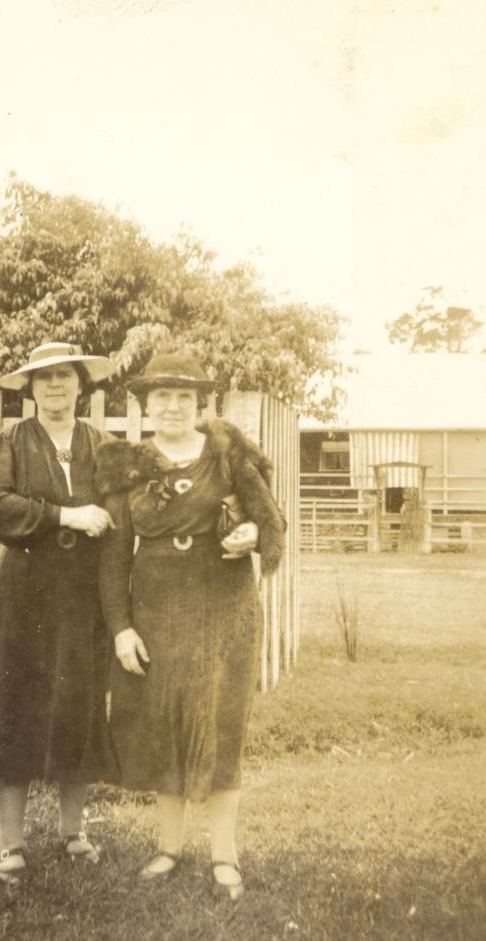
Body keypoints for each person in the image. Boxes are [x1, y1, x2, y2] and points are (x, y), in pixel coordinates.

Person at [95, 353, 285, 901]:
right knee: (161, 725)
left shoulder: (228, 457)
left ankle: (225, 855)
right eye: (161, 396)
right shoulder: (126, 466)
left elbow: (272, 521)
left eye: (184, 396)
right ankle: (167, 848)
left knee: (221, 725)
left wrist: (250, 532)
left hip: (224, 611)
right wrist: (121, 629)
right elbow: (112, 559)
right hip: (154, 614)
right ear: (145, 405)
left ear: (200, 404)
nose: (172, 406)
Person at [0, 342, 116, 884]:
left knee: (77, 706)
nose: (55, 386)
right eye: (44, 378)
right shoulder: (9, 440)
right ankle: (11, 841)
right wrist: (67, 516)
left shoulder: (100, 444)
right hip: (24, 594)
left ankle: (73, 832)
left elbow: (128, 505)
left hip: (83, 597)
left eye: (65, 377)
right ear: (30, 389)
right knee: (15, 707)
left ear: (82, 385)